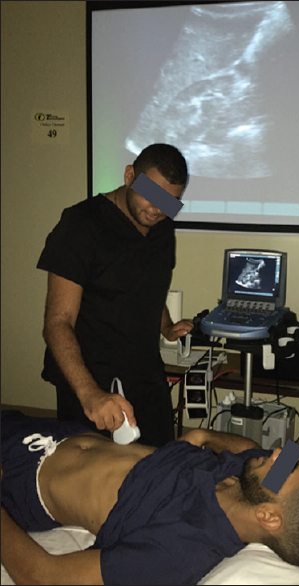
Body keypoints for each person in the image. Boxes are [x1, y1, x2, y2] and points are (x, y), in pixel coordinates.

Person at [1, 410, 299, 586]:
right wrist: (199, 436)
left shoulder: (182, 548)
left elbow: (40, 575)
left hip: (21, 477)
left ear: (269, 518)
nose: (279, 455)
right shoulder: (249, 481)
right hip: (58, 431)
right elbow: (253, 448)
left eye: (289, 470)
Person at [37, 143, 194, 446]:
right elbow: (57, 322)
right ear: (129, 175)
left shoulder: (161, 227)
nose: (157, 209)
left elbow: (148, 285)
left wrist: (166, 326)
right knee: (95, 481)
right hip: (91, 378)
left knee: (160, 465)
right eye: (151, 194)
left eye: (170, 202)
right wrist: (89, 393)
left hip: (145, 374)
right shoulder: (81, 225)